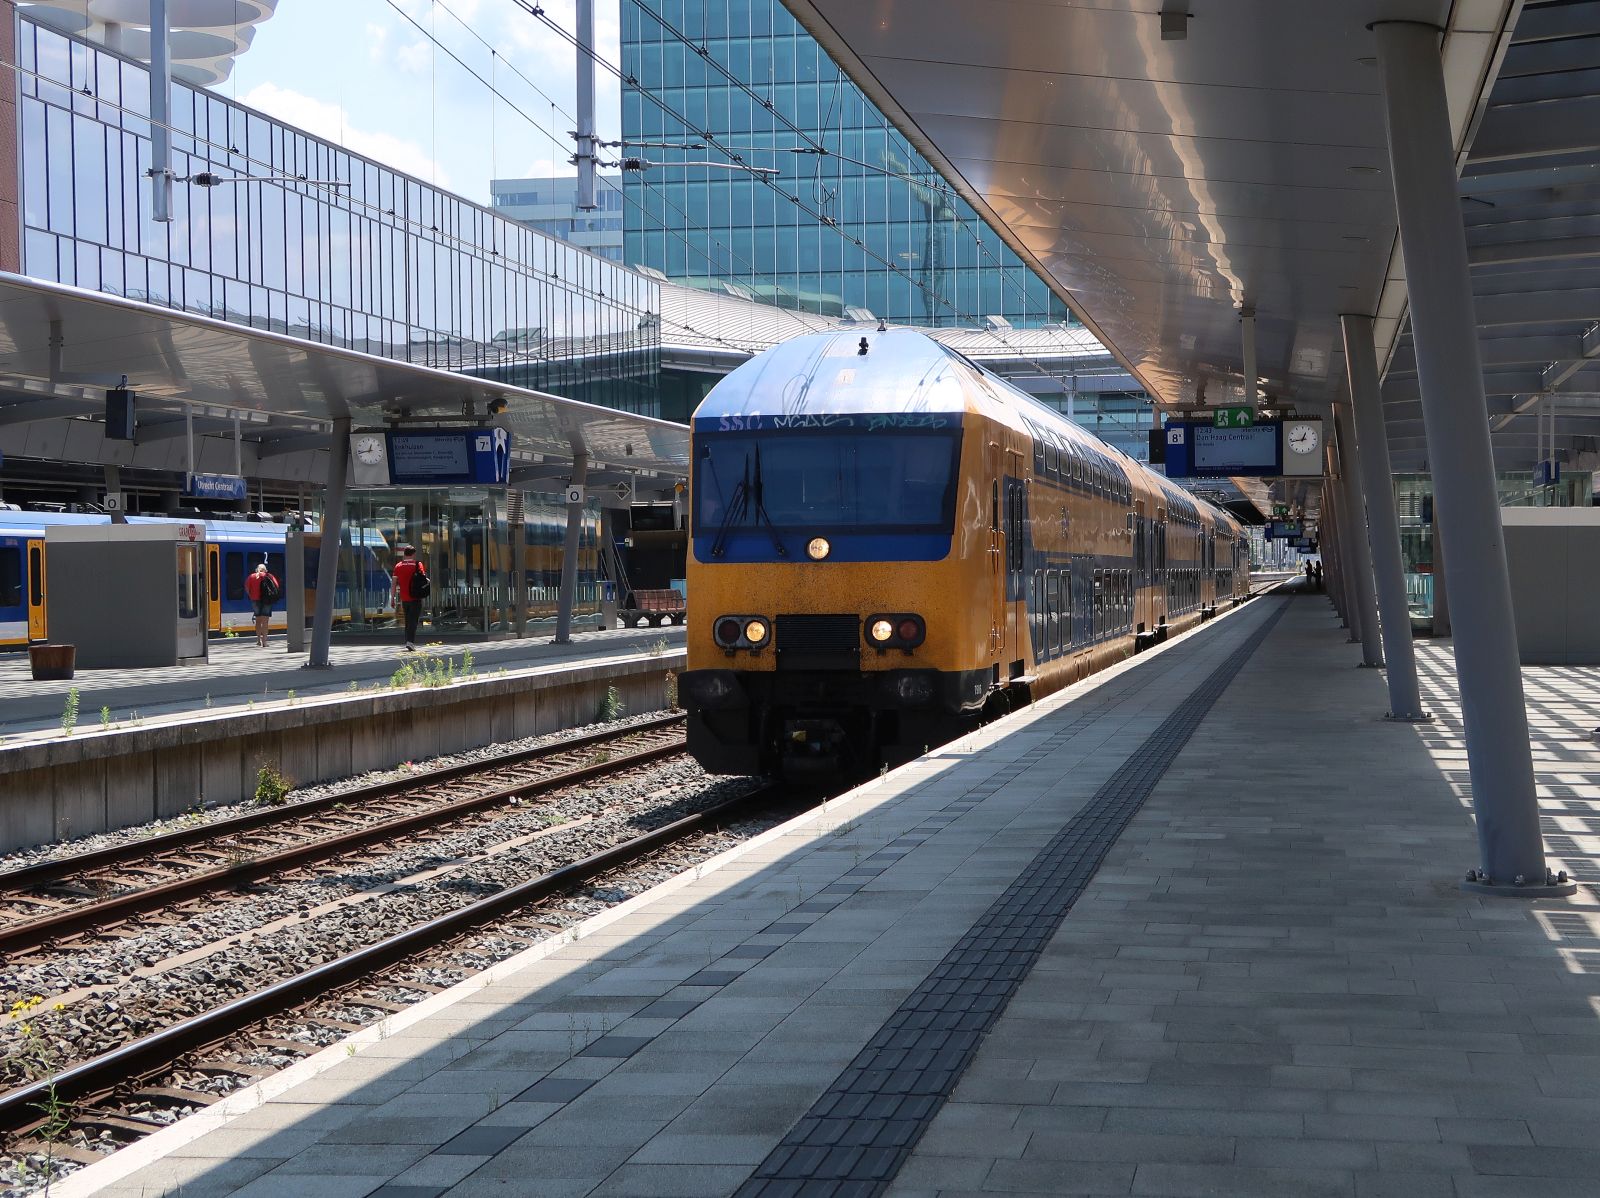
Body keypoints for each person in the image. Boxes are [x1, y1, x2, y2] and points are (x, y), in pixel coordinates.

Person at [393, 545, 428, 650]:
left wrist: (392, 597)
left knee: (408, 620)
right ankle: (410, 642)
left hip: (404, 598)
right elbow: (423, 579)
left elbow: (394, 583)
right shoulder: (418, 565)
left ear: (404, 554)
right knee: (413, 620)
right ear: (413, 554)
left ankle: (408, 641)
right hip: (415, 597)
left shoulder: (398, 566)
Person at [243, 561, 280, 648]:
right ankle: (265, 642)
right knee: (265, 621)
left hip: (255, 600)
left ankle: (258, 640)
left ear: (257, 569)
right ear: (265, 570)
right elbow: (276, 586)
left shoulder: (251, 576)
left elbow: (247, 588)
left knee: (258, 620)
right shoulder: (269, 576)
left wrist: (251, 595)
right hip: (267, 601)